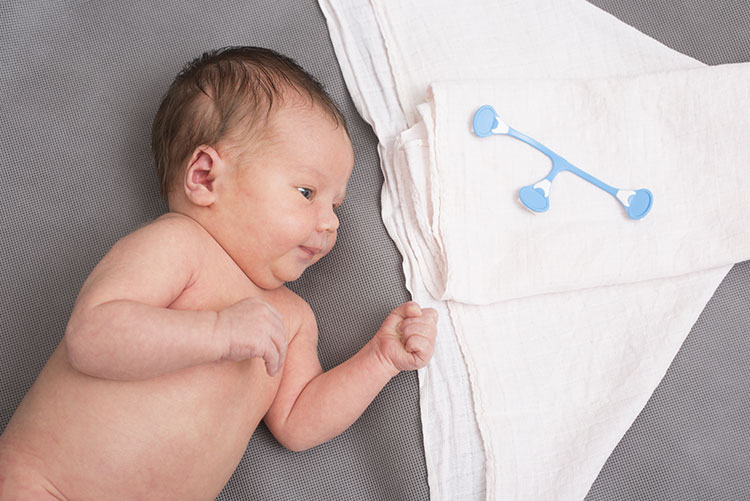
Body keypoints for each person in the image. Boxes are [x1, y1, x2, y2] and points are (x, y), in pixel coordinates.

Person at [0, 46, 438, 499]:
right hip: (43, 486)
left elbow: (298, 421)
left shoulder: (291, 319)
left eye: (336, 204)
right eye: (307, 192)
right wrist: (218, 332)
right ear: (206, 177)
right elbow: (91, 339)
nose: (331, 223)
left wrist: (380, 361)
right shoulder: (178, 245)